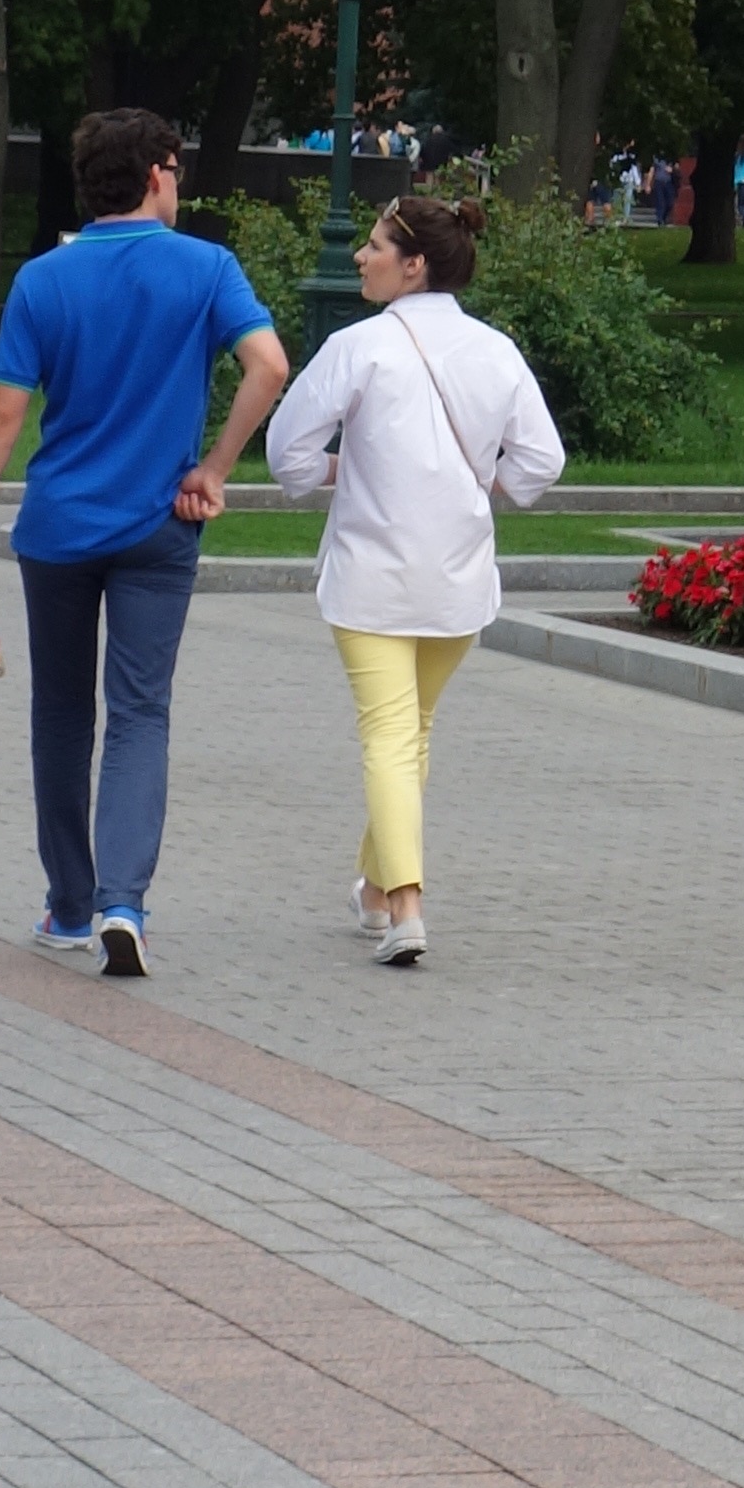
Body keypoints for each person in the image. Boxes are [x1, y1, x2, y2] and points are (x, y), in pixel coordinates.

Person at [0, 108, 289, 975]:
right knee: (140, 712)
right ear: (154, 175)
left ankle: (68, 903)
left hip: (60, 527)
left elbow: (2, 415)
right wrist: (214, 466)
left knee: (62, 713)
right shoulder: (208, 268)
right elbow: (269, 365)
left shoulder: (43, 279)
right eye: (176, 170)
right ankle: (124, 903)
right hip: (159, 525)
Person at [263, 187, 565, 965]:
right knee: (410, 734)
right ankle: (374, 891)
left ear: (414, 265)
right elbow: (541, 461)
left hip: (371, 577)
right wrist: (484, 481)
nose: (361, 258)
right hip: (457, 579)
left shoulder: (358, 347)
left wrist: (338, 469)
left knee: (391, 738)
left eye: (374, 247)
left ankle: (406, 906)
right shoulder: (495, 351)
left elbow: (288, 454)